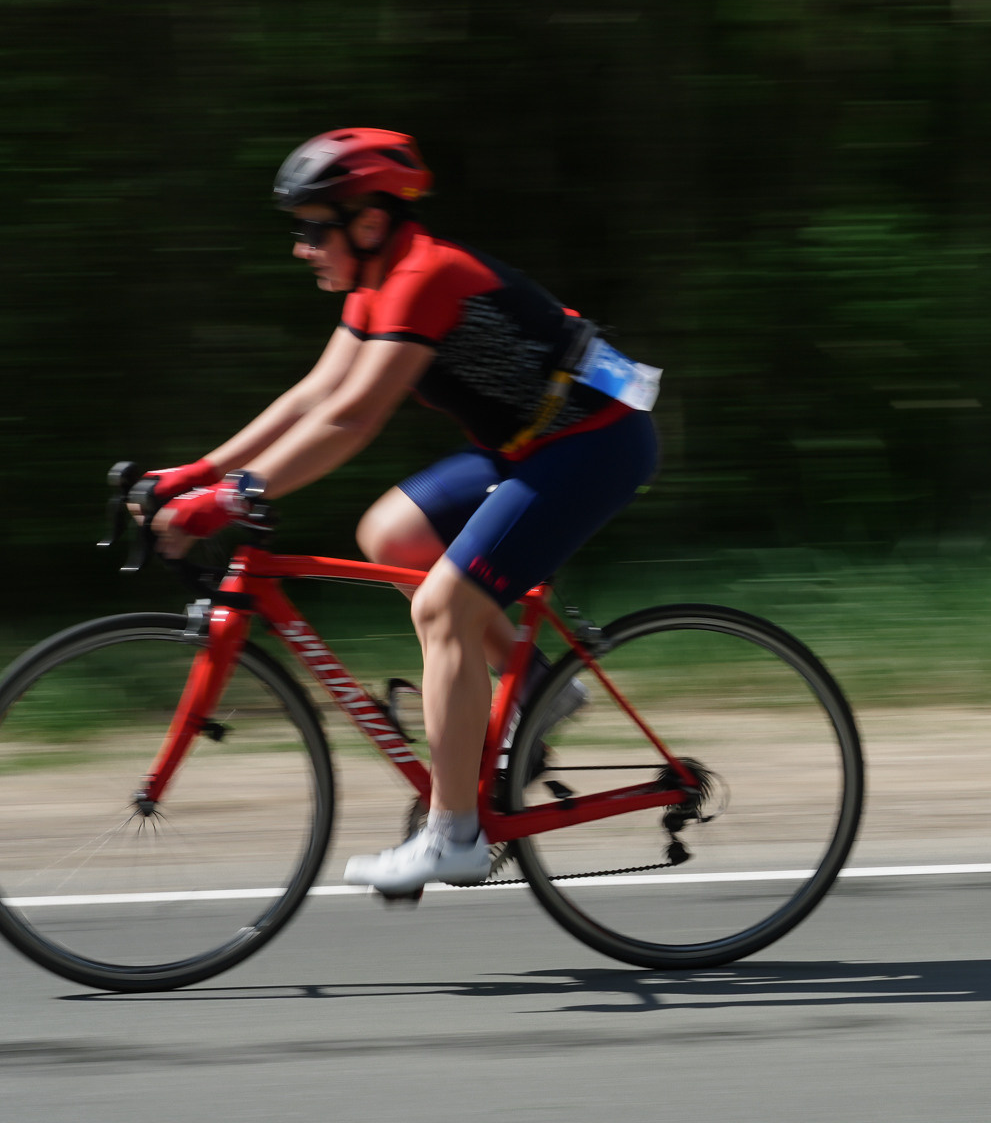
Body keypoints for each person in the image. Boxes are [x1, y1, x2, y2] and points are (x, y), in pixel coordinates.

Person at [145, 128, 660, 894]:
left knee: (445, 610)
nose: (301, 248)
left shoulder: (425, 277)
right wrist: (202, 470)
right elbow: (312, 395)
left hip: (598, 441)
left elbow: (353, 419)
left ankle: (454, 835)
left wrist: (232, 498)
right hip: (530, 441)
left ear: (370, 222)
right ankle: (538, 687)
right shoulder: (377, 282)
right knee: (392, 534)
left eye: (312, 228)